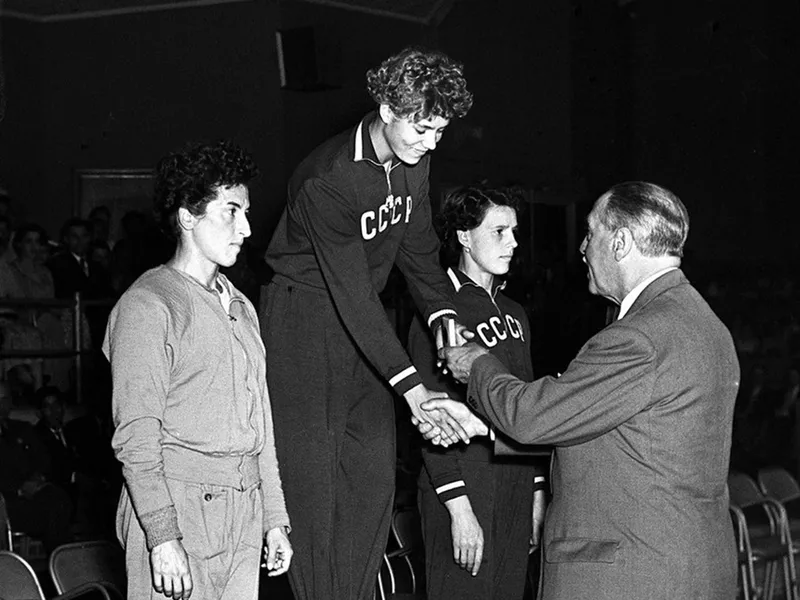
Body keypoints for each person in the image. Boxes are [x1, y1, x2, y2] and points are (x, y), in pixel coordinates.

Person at [426, 182, 740, 600]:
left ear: (621, 242)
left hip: (630, 576)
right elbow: (615, 437)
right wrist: (483, 429)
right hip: (688, 566)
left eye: (591, 234)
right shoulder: (704, 324)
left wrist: (476, 363)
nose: (582, 248)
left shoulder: (638, 337)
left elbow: (534, 417)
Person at [261, 46, 473, 600]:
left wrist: (446, 319)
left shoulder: (414, 160)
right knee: (314, 492)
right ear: (386, 108)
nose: (431, 143)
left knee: (372, 481)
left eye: (441, 131)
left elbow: (421, 252)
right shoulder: (327, 178)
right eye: (423, 129)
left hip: (362, 323)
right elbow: (352, 296)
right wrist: (412, 389)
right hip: (303, 320)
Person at [104, 140, 292, 600]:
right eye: (231, 211)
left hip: (243, 510)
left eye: (246, 212)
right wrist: (162, 535)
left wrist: (273, 519)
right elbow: (137, 436)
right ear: (188, 217)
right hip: (179, 508)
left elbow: (260, 425)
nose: (246, 228)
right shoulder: (149, 306)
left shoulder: (241, 306)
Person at [407, 185, 548, 600]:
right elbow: (428, 415)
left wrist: (537, 490)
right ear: (465, 237)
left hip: (514, 485)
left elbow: (530, 409)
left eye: (515, 231)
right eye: (499, 231)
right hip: (464, 485)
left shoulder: (517, 314)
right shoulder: (439, 310)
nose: (513, 242)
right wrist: (458, 508)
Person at [0, 380, 73, 553]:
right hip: (8, 502)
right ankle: (60, 562)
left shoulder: (22, 429)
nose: (3, 405)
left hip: (35, 493)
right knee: (54, 510)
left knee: (58, 500)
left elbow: (43, 458)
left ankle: (60, 561)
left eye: (5, 399)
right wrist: (19, 489)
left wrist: (38, 477)